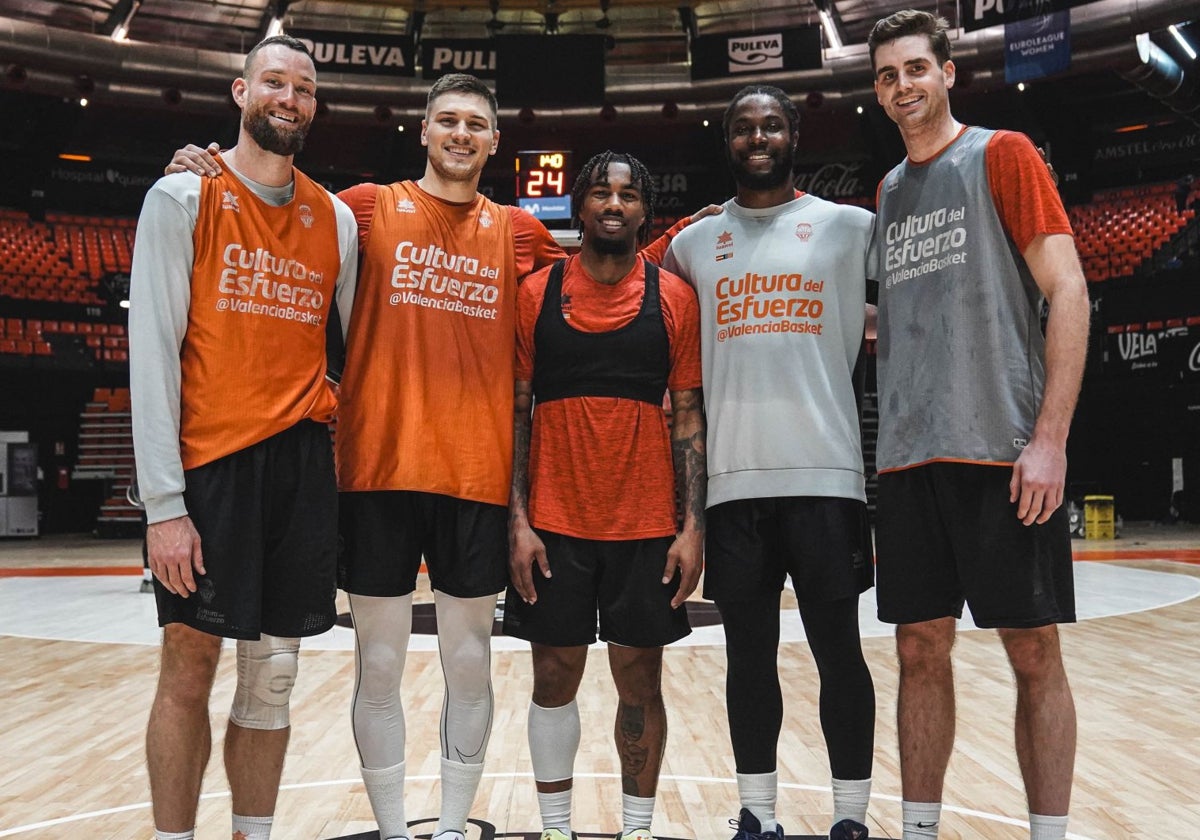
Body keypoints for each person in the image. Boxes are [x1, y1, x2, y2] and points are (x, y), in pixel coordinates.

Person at [866, 11, 1090, 840]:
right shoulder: (889, 191)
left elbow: (1067, 291)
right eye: (887, 76)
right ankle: (920, 830)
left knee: (1032, 653)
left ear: (949, 73)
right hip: (908, 460)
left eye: (916, 69)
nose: (902, 87)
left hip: (1001, 451)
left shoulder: (1003, 153)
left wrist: (1049, 439)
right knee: (918, 651)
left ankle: (1049, 834)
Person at [130, 35, 358, 840]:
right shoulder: (182, 199)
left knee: (274, 679)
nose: (288, 97)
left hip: (299, 464)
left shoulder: (335, 218)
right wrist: (163, 504)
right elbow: (152, 354)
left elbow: (359, 348)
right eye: (274, 82)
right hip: (208, 469)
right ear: (240, 91)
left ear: (314, 107)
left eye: (303, 87)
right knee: (188, 668)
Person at [661, 86, 877, 840]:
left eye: (773, 125)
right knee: (748, 660)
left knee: (839, 654)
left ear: (795, 136)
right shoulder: (690, 245)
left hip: (827, 478)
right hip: (731, 490)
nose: (759, 137)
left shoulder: (851, 228)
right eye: (745, 128)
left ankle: (850, 817)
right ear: (728, 142)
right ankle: (757, 812)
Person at [504, 151, 706, 840]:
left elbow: (687, 418)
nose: (613, 204)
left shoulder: (674, 298)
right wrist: (518, 521)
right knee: (553, 679)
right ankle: (556, 828)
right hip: (555, 521)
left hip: (646, 524)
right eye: (600, 192)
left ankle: (639, 830)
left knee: (639, 685)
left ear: (647, 213)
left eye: (628, 194)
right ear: (579, 208)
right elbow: (517, 412)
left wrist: (692, 526)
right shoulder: (536, 294)